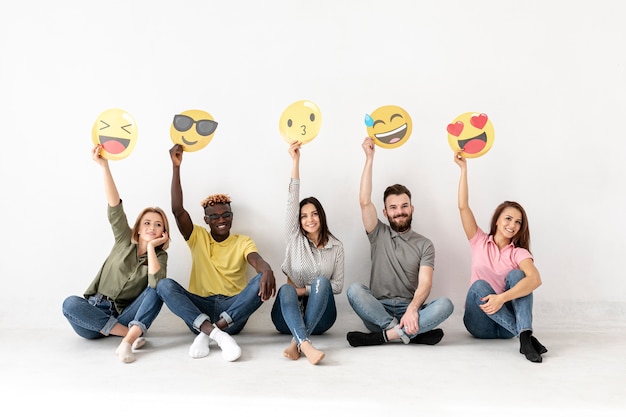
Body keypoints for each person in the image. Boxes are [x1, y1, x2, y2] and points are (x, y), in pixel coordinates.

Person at [156, 144, 277, 362]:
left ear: (231, 216)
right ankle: (215, 334)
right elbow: (177, 211)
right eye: (214, 216)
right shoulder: (198, 236)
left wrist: (266, 269)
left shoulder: (242, 242)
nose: (221, 220)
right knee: (164, 286)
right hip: (199, 308)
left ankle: (211, 332)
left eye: (226, 215)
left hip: (232, 313)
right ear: (206, 220)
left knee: (262, 278)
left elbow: (256, 261)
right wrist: (176, 167)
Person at [62, 144, 170, 363]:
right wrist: (104, 166)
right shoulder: (123, 239)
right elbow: (115, 206)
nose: (151, 227)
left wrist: (150, 248)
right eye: (147, 222)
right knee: (70, 304)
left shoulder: (159, 257)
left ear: (163, 232)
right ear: (138, 227)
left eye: (158, 225)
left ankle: (125, 338)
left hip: (123, 313)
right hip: (91, 315)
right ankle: (129, 335)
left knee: (159, 289)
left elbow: (155, 286)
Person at [346, 137, 454, 347]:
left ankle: (388, 336)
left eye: (404, 206)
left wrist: (413, 309)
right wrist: (369, 158)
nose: (400, 212)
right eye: (393, 208)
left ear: (412, 209)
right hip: (377, 311)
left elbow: (425, 283)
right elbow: (364, 201)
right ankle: (411, 334)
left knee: (446, 305)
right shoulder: (378, 233)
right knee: (354, 290)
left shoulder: (425, 244)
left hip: (410, 310)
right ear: (385, 212)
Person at [453, 150, 547, 363]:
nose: (512, 225)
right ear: (496, 220)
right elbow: (463, 207)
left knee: (518, 275)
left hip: (505, 328)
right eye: (508, 218)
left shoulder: (519, 252)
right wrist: (464, 169)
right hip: (478, 324)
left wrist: (501, 298)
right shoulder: (478, 241)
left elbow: (536, 279)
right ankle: (526, 336)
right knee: (478, 287)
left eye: (518, 222)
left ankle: (523, 337)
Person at [270, 141, 345, 365]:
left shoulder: (337, 247)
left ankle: (297, 343)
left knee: (323, 282)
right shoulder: (294, 237)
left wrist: (304, 290)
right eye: (304, 216)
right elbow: (293, 198)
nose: (309, 219)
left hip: (322, 318)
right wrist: (295, 161)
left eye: (314, 214)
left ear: (321, 216)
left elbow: (338, 285)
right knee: (285, 290)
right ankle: (304, 344)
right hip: (287, 318)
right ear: (299, 221)